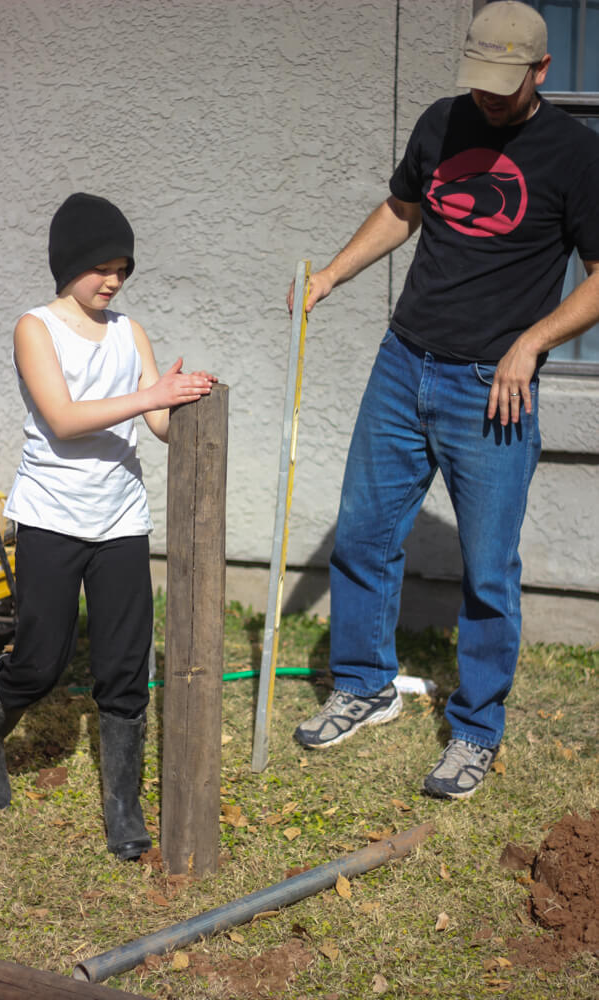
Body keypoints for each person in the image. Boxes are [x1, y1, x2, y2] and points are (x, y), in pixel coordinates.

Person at [289, 1, 599, 799]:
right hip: (403, 363)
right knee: (362, 531)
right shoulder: (440, 121)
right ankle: (364, 685)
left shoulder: (574, 156)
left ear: (541, 71)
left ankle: (474, 730)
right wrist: (331, 274)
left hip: (490, 390)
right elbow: (403, 210)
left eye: (506, 83)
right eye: (479, 82)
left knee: (487, 570)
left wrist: (530, 344)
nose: (488, 99)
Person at [0, 192, 216, 858]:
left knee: (125, 665)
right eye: (99, 266)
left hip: (120, 519)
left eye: (122, 268)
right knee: (41, 660)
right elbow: (64, 418)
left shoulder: (130, 332)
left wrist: (182, 402)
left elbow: (154, 424)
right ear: (66, 264)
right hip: (51, 516)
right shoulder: (35, 328)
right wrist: (149, 395)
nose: (111, 280)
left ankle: (123, 807)